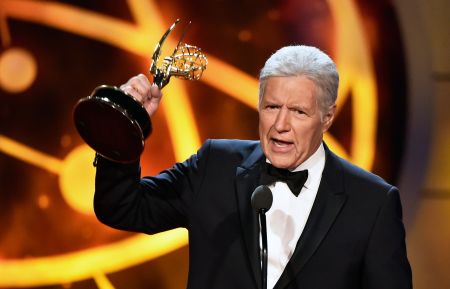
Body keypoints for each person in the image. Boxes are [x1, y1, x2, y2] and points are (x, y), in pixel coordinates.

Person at [93, 45, 412, 289]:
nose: (280, 125)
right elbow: (120, 207)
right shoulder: (215, 166)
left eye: (299, 112)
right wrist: (122, 131)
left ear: (327, 116)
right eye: (272, 107)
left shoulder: (372, 204)